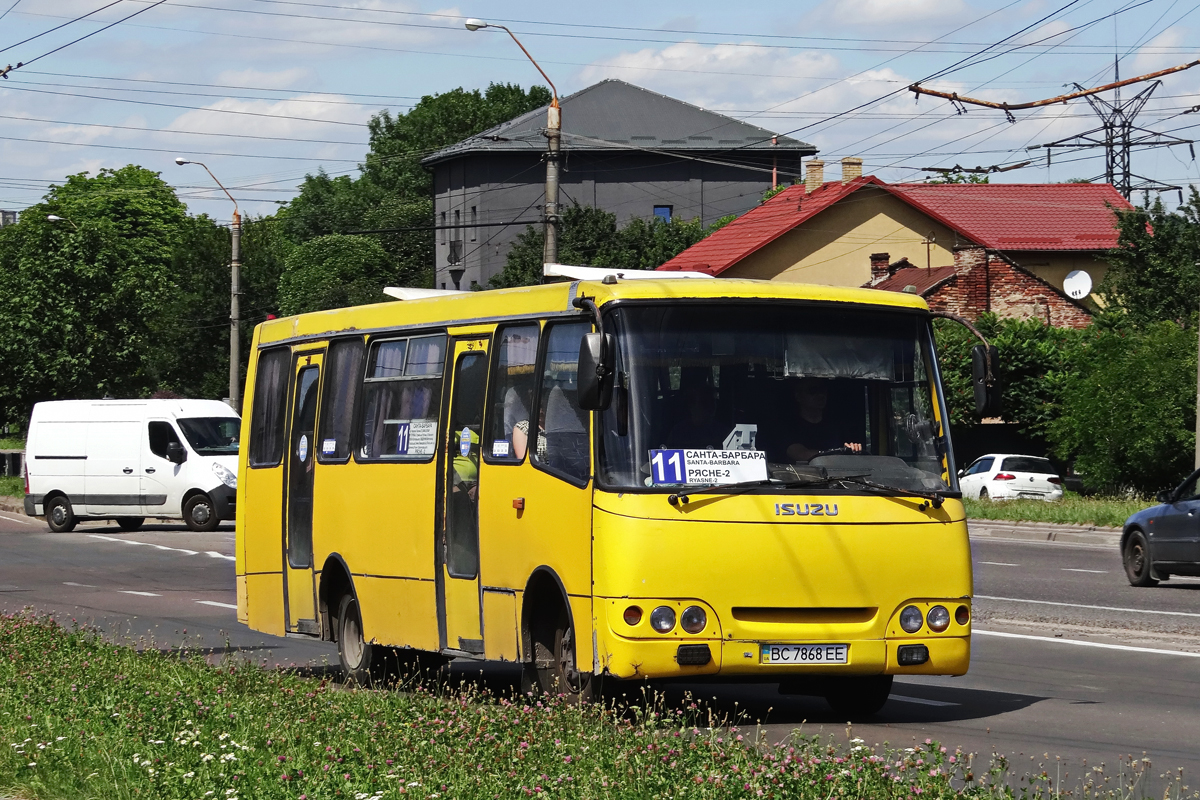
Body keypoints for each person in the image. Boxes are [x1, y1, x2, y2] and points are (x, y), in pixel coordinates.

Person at [769, 378, 863, 463]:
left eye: (823, 390)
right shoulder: (787, 427)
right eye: (813, 391)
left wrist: (852, 449)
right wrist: (839, 454)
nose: (820, 395)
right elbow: (801, 454)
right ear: (798, 396)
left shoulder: (837, 427)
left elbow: (847, 452)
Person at [666, 384, 728, 450]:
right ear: (691, 405)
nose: (710, 406)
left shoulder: (724, 434)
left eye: (712, 402)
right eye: (704, 402)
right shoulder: (678, 433)